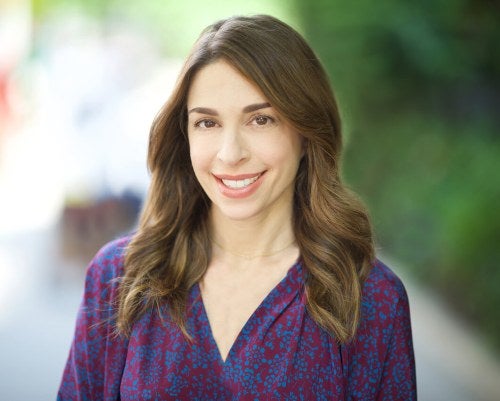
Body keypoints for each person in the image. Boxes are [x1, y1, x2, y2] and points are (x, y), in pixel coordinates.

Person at [57, 14, 416, 400]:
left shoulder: (371, 301)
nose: (230, 155)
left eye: (260, 119)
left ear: (306, 132)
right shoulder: (118, 279)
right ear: (185, 135)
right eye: (207, 124)